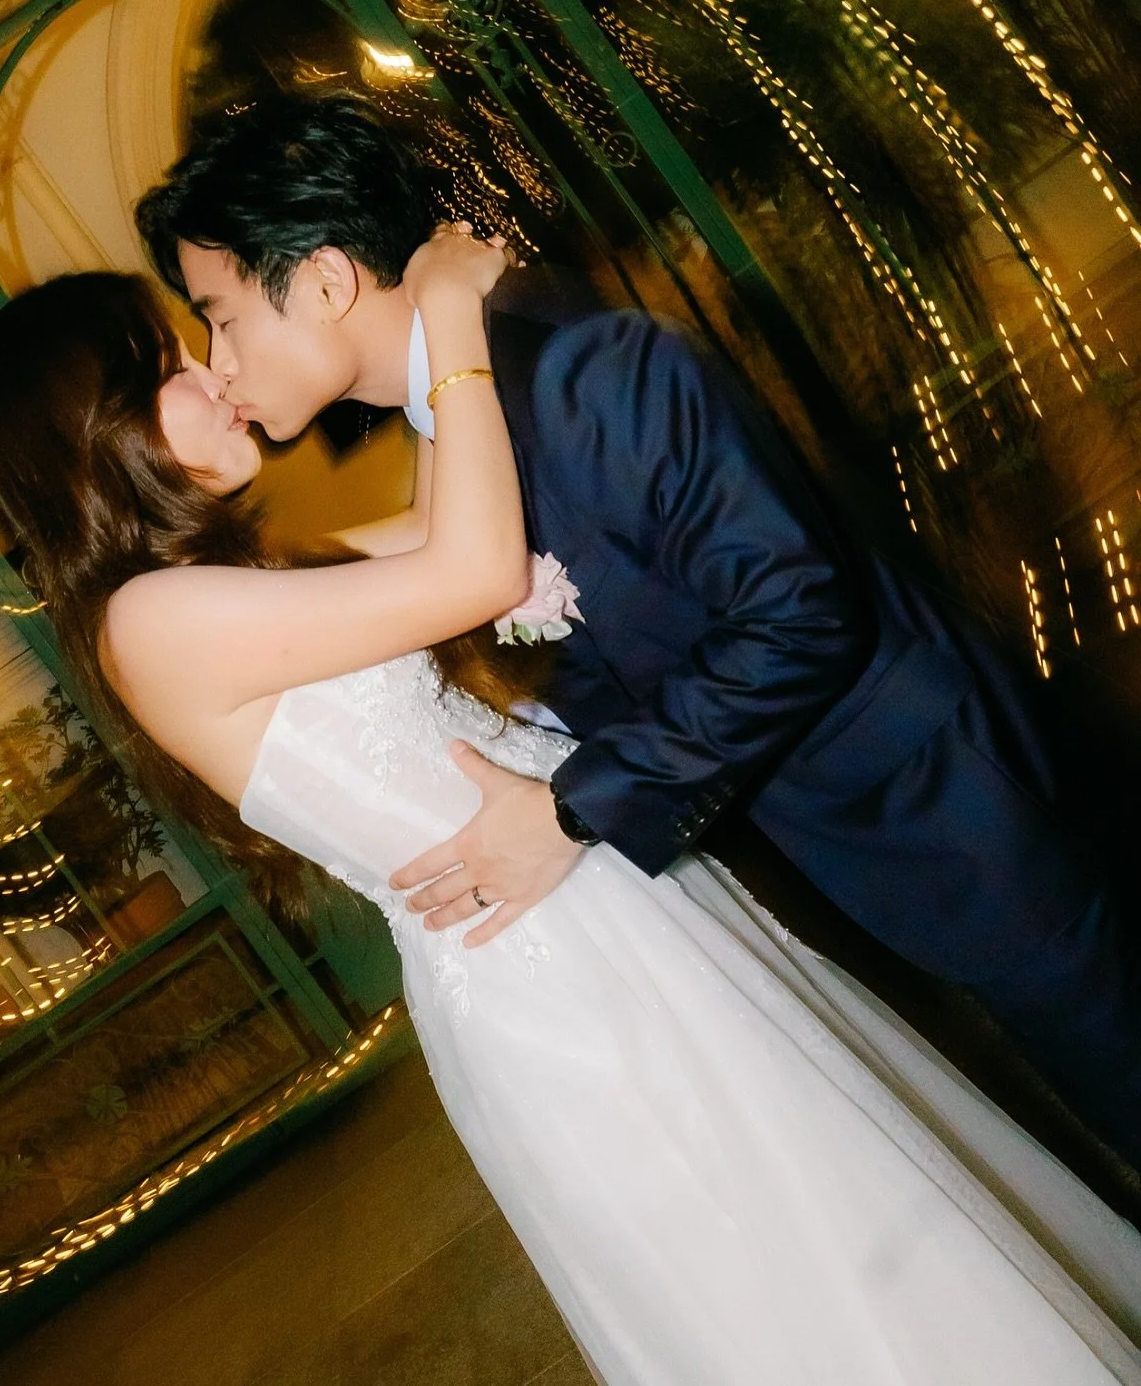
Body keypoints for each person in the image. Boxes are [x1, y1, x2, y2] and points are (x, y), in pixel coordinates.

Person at [0, 251, 1141, 1386]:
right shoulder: (149, 619)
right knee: (808, 1259)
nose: (218, 378)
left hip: (597, 908)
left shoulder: (224, 579)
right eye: (173, 364)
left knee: (854, 1205)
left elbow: (453, 516)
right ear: (98, 429)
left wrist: (425, 352)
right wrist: (447, 319)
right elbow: (470, 566)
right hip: (550, 976)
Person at [133, 94, 1141, 1167]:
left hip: (937, 797)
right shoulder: (460, 417)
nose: (219, 359)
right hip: (836, 825)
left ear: (326, 281)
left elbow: (798, 613)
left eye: (221, 315)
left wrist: (572, 812)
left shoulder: (580, 371)